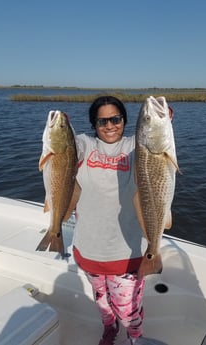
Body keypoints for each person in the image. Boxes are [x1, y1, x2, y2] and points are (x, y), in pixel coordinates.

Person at [72, 95, 147, 345]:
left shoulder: (136, 146)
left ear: (124, 120)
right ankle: (109, 328)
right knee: (102, 300)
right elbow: (67, 145)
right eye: (101, 121)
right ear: (94, 124)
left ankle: (135, 337)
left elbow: (156, 140)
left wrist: (160, 121)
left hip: (127, 252)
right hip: (89, 247)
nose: (109, 125)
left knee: (127, 310)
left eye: (116, 119)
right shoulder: (84, 143)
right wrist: (58, 128)